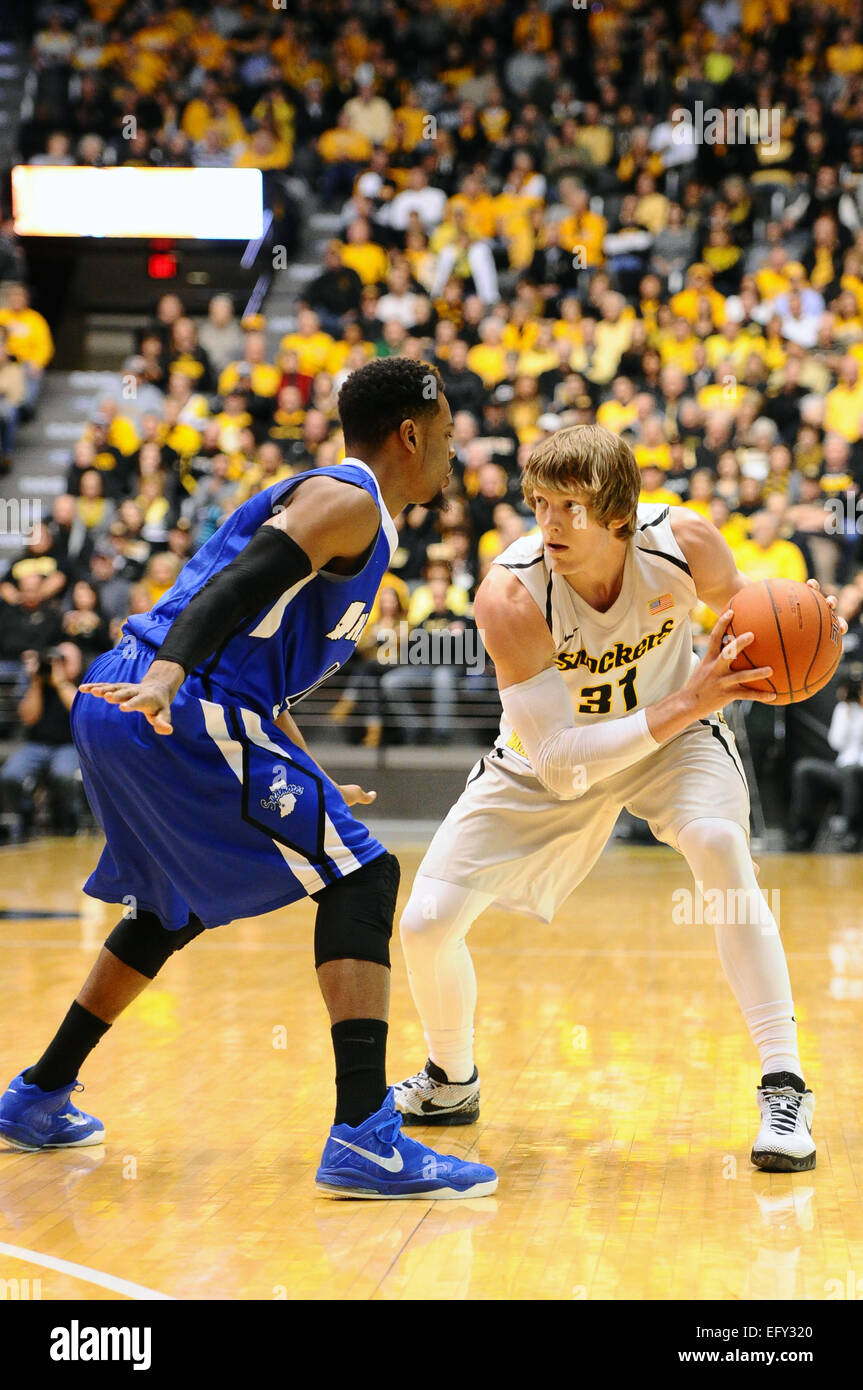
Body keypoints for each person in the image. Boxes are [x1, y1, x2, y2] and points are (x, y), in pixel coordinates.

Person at [0, 358, 496, 1201]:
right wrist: (167, 676)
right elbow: (233, 589)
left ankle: (36, 1096)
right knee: (365, 875)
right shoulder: (345, 502)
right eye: (447, 436)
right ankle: (364, 1136)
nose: (451, 455)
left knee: (168, 911)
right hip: (172, 697)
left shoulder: (340, 510)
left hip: (140, 699)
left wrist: (310, 774)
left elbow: (257, 675)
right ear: (410, 433)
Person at [393, 423, 846, 1174]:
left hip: (675, 736)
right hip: (556, 750)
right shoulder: (510, 594)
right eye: (538, 503)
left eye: (568, 507)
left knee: (720, 847)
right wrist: (686, 703)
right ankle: (450, 1079)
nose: (547, 523)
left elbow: (751, 624)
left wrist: (805, 620)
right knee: (425, 922)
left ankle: (783, 1082)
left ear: (619, 516)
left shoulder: (686, 544)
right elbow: (563, 765)